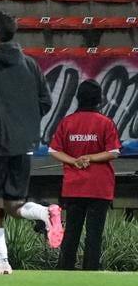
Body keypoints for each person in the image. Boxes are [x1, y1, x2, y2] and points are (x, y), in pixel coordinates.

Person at [0, 10, 64, 275]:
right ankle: (45, 213)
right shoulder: (29, 64)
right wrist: (23, 123)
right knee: (14, 204)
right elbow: (45, 101)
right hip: (23, 143)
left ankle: (3, 263)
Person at [48, 80, 120, 271]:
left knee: (71, 233)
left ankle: (65, 271)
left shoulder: (67, 122)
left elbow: (54, 151)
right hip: (99, 188)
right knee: (94, 235)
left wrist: (73, 161)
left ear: (78, 98)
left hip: (73, 187)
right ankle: (91, 272)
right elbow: (113, 152)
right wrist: (91, 157)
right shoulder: (106, 123)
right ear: (99, 99)